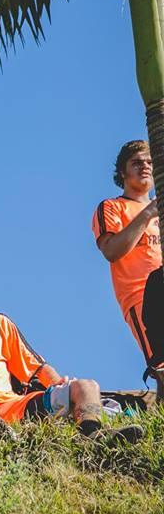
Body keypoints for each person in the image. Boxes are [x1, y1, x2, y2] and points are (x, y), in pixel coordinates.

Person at [0, 256, 144, 444]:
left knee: (86, 386)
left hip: (15, 407)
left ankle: (94, 436)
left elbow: (36, 368)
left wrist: (60, 385)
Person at [92, 140, 162, 393]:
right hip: (140, 296)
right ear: (122, 171)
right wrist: (148, 213)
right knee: (161, 362)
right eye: (137, 163)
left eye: (150, 162)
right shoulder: (112, 207)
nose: (145, 167)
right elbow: (111, 251)